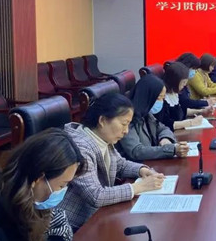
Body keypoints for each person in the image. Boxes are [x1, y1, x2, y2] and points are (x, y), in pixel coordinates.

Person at [61, 94, 167, 231]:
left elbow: (120, 164)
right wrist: (138, 187)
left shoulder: (101, 137)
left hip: (98, 216)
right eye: (123, 124)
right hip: (75, 226)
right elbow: (96, 195)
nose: (126, 131)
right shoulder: (80, 147)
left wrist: (142, 170)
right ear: (103, 120)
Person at [118, 74, 188, 161]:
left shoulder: (146, 113)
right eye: (158, 98)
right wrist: (171, 150)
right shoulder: (127, 118)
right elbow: (136, 151)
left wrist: (165, 138)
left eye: (163, 98)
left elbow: (163, 128)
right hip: (139, 166)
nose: (161, 102)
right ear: (146, 96)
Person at [156, 62, 206, 130]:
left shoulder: (175, 93)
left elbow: (181, 111)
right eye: (183, 82)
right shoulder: (162, 98)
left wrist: (201, 111)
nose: (184, 85)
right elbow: (166, 123)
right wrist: (191, 122)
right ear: (175, 81)